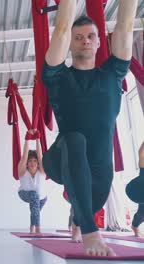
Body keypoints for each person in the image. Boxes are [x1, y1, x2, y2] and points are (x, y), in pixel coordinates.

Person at [41, 0, 137, 256]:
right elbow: (61, 28)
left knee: (88, 199)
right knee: (75, 140)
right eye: (79, 37)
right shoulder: (57, 75)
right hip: (60, 158)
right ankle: (89, 232)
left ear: (98, 42)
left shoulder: (113, 73)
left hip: (98, 174)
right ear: (70, 44)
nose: (85, 40)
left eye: (91, 36)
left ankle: (78, 215)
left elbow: (125, 26)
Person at [17, 131, 47, 234]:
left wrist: (38, 139)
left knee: (35, 210)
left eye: (34, 161)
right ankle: (38, 229)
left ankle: (31, 227)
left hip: (42, 198)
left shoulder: (42, 171)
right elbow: (24, 156)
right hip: (24, 194)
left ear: (38, 163)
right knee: (34, 197)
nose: (32, 163)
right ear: (27, 163)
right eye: (30, 161)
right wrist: (27, 139)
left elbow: (40, 155)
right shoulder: (22, 171)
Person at [125, 142, 144, 237]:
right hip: (136, 190)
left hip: (139, 193)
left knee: (141, 213)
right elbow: (141, 152)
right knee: (142, 213)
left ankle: (134, 226)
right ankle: (135, 227)